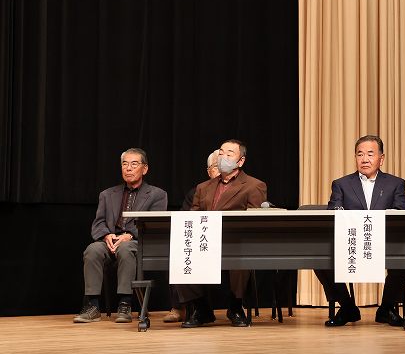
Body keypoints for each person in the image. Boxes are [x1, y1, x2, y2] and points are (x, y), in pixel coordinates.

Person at [314, 135, 405, 327]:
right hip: (351, 241)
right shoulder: (341, 184)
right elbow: (334, 210)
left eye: (370, 154)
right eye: (360, 154)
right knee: (320, 259)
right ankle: (347, 307)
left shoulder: (395, 183)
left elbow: (402, 210)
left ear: (381, 158)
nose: (364, 159)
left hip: (384, 241)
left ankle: (386, 309)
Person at [178, 139, 267, 328]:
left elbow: (256, 222)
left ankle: (235, 307)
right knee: (182, 253)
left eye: (229, 154)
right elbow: (193, 216)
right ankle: (201, 308)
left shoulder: (254, 185)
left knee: (241, 256)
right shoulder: (203, 187)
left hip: (235, 241)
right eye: (221, 153)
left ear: (240, 161)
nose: (223, 157)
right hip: (205, 240)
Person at [74, 148, 168, 323]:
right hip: (110, 240)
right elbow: (98, 223)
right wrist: (106, 235)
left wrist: (130, 235)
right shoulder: (107, 194)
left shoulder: (157, 195)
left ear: (145, 169)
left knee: (125, 248)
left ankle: (125, 303)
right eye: (125, 164)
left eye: (134, 164)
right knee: (92, 250)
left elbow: (154, 225)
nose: (128, 168)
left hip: (137, 242)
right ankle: (92, 306)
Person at [163, 150, 220, 323]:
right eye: (216, 166)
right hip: (202, 242)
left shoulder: (241, 188)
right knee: (180, 253)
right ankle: (194, 307)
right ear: (209, 171)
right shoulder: (197, 191)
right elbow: (185, 220)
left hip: (230, 243)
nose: (221, 170)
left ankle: (235, 307)